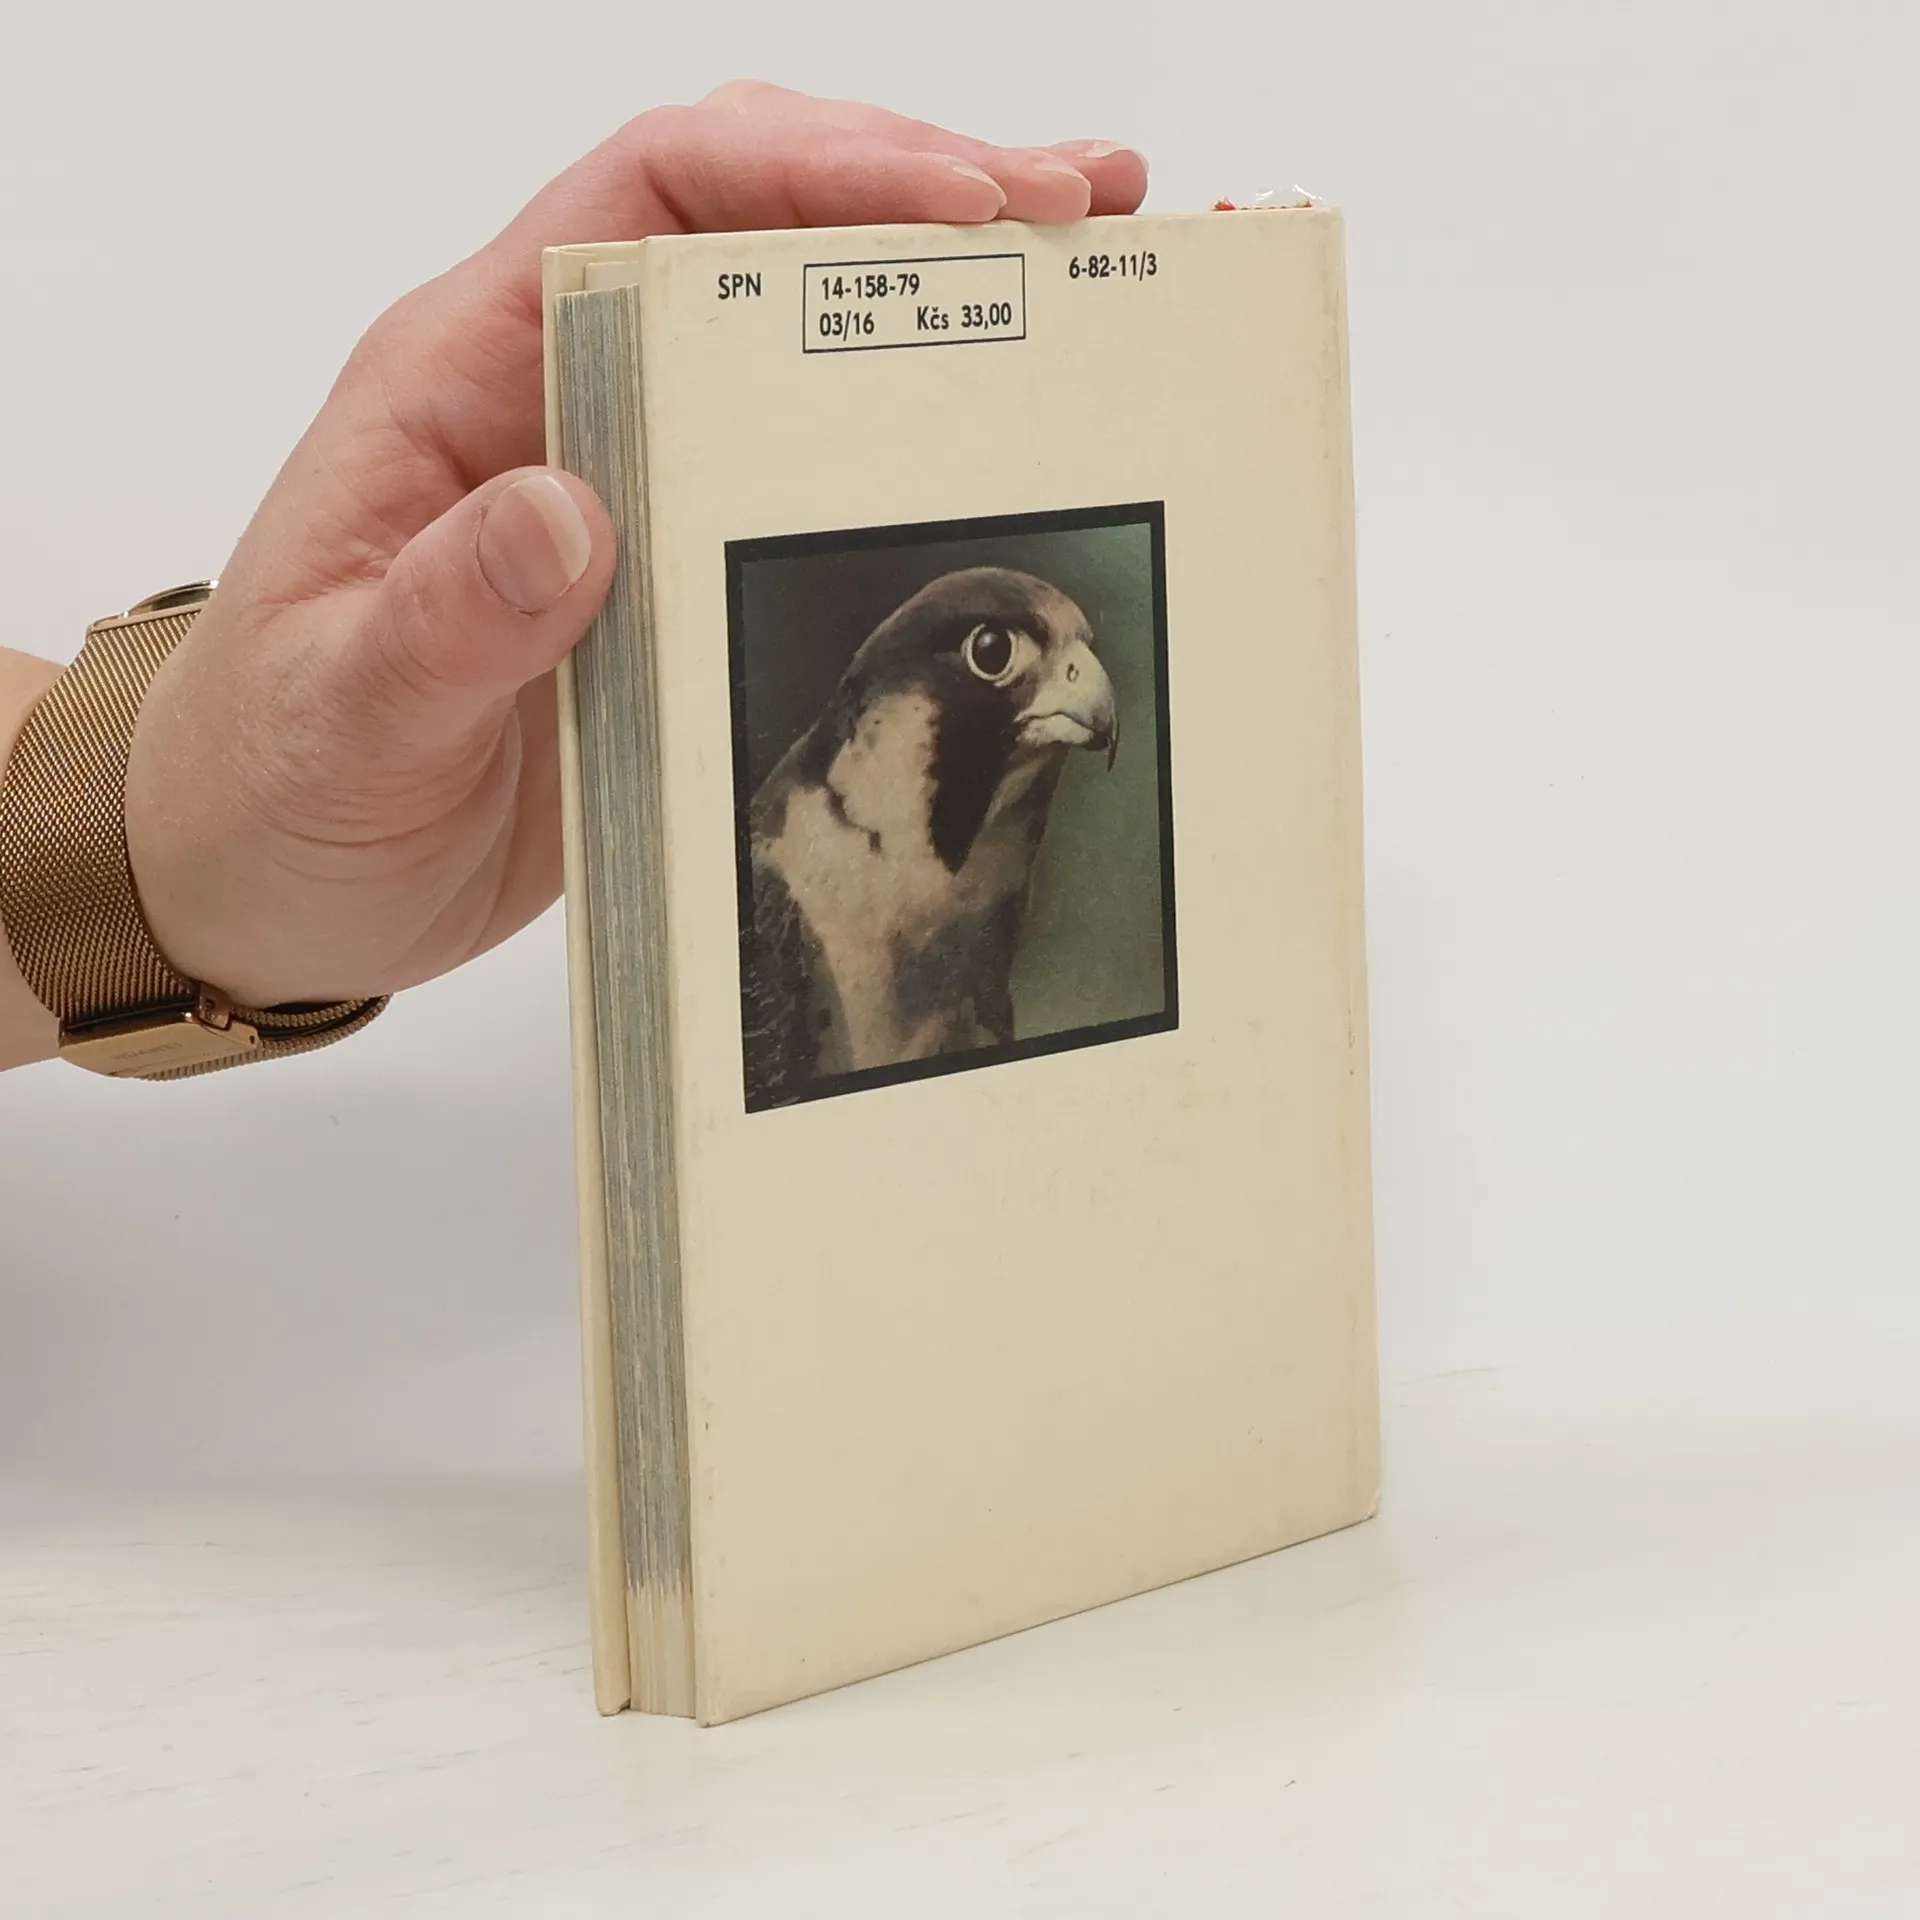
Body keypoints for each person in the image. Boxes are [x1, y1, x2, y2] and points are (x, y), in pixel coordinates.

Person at [0, 81, 1147, 1076]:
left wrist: (165, 838)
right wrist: (164, 832)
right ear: (869, 723)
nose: (1082, 687)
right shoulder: (775, 908)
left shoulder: (975, 928)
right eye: (996, 655)